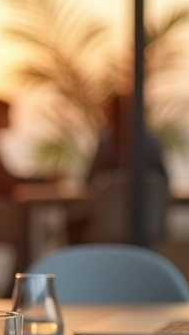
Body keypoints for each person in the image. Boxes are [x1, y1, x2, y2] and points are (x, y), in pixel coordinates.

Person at [67, 92, 170, 244]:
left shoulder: (106, 144)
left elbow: (89, 181)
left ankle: (80, 265)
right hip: (148, 226)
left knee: (73, 224)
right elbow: (166, 182)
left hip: (108, 226)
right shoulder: (152, 143)